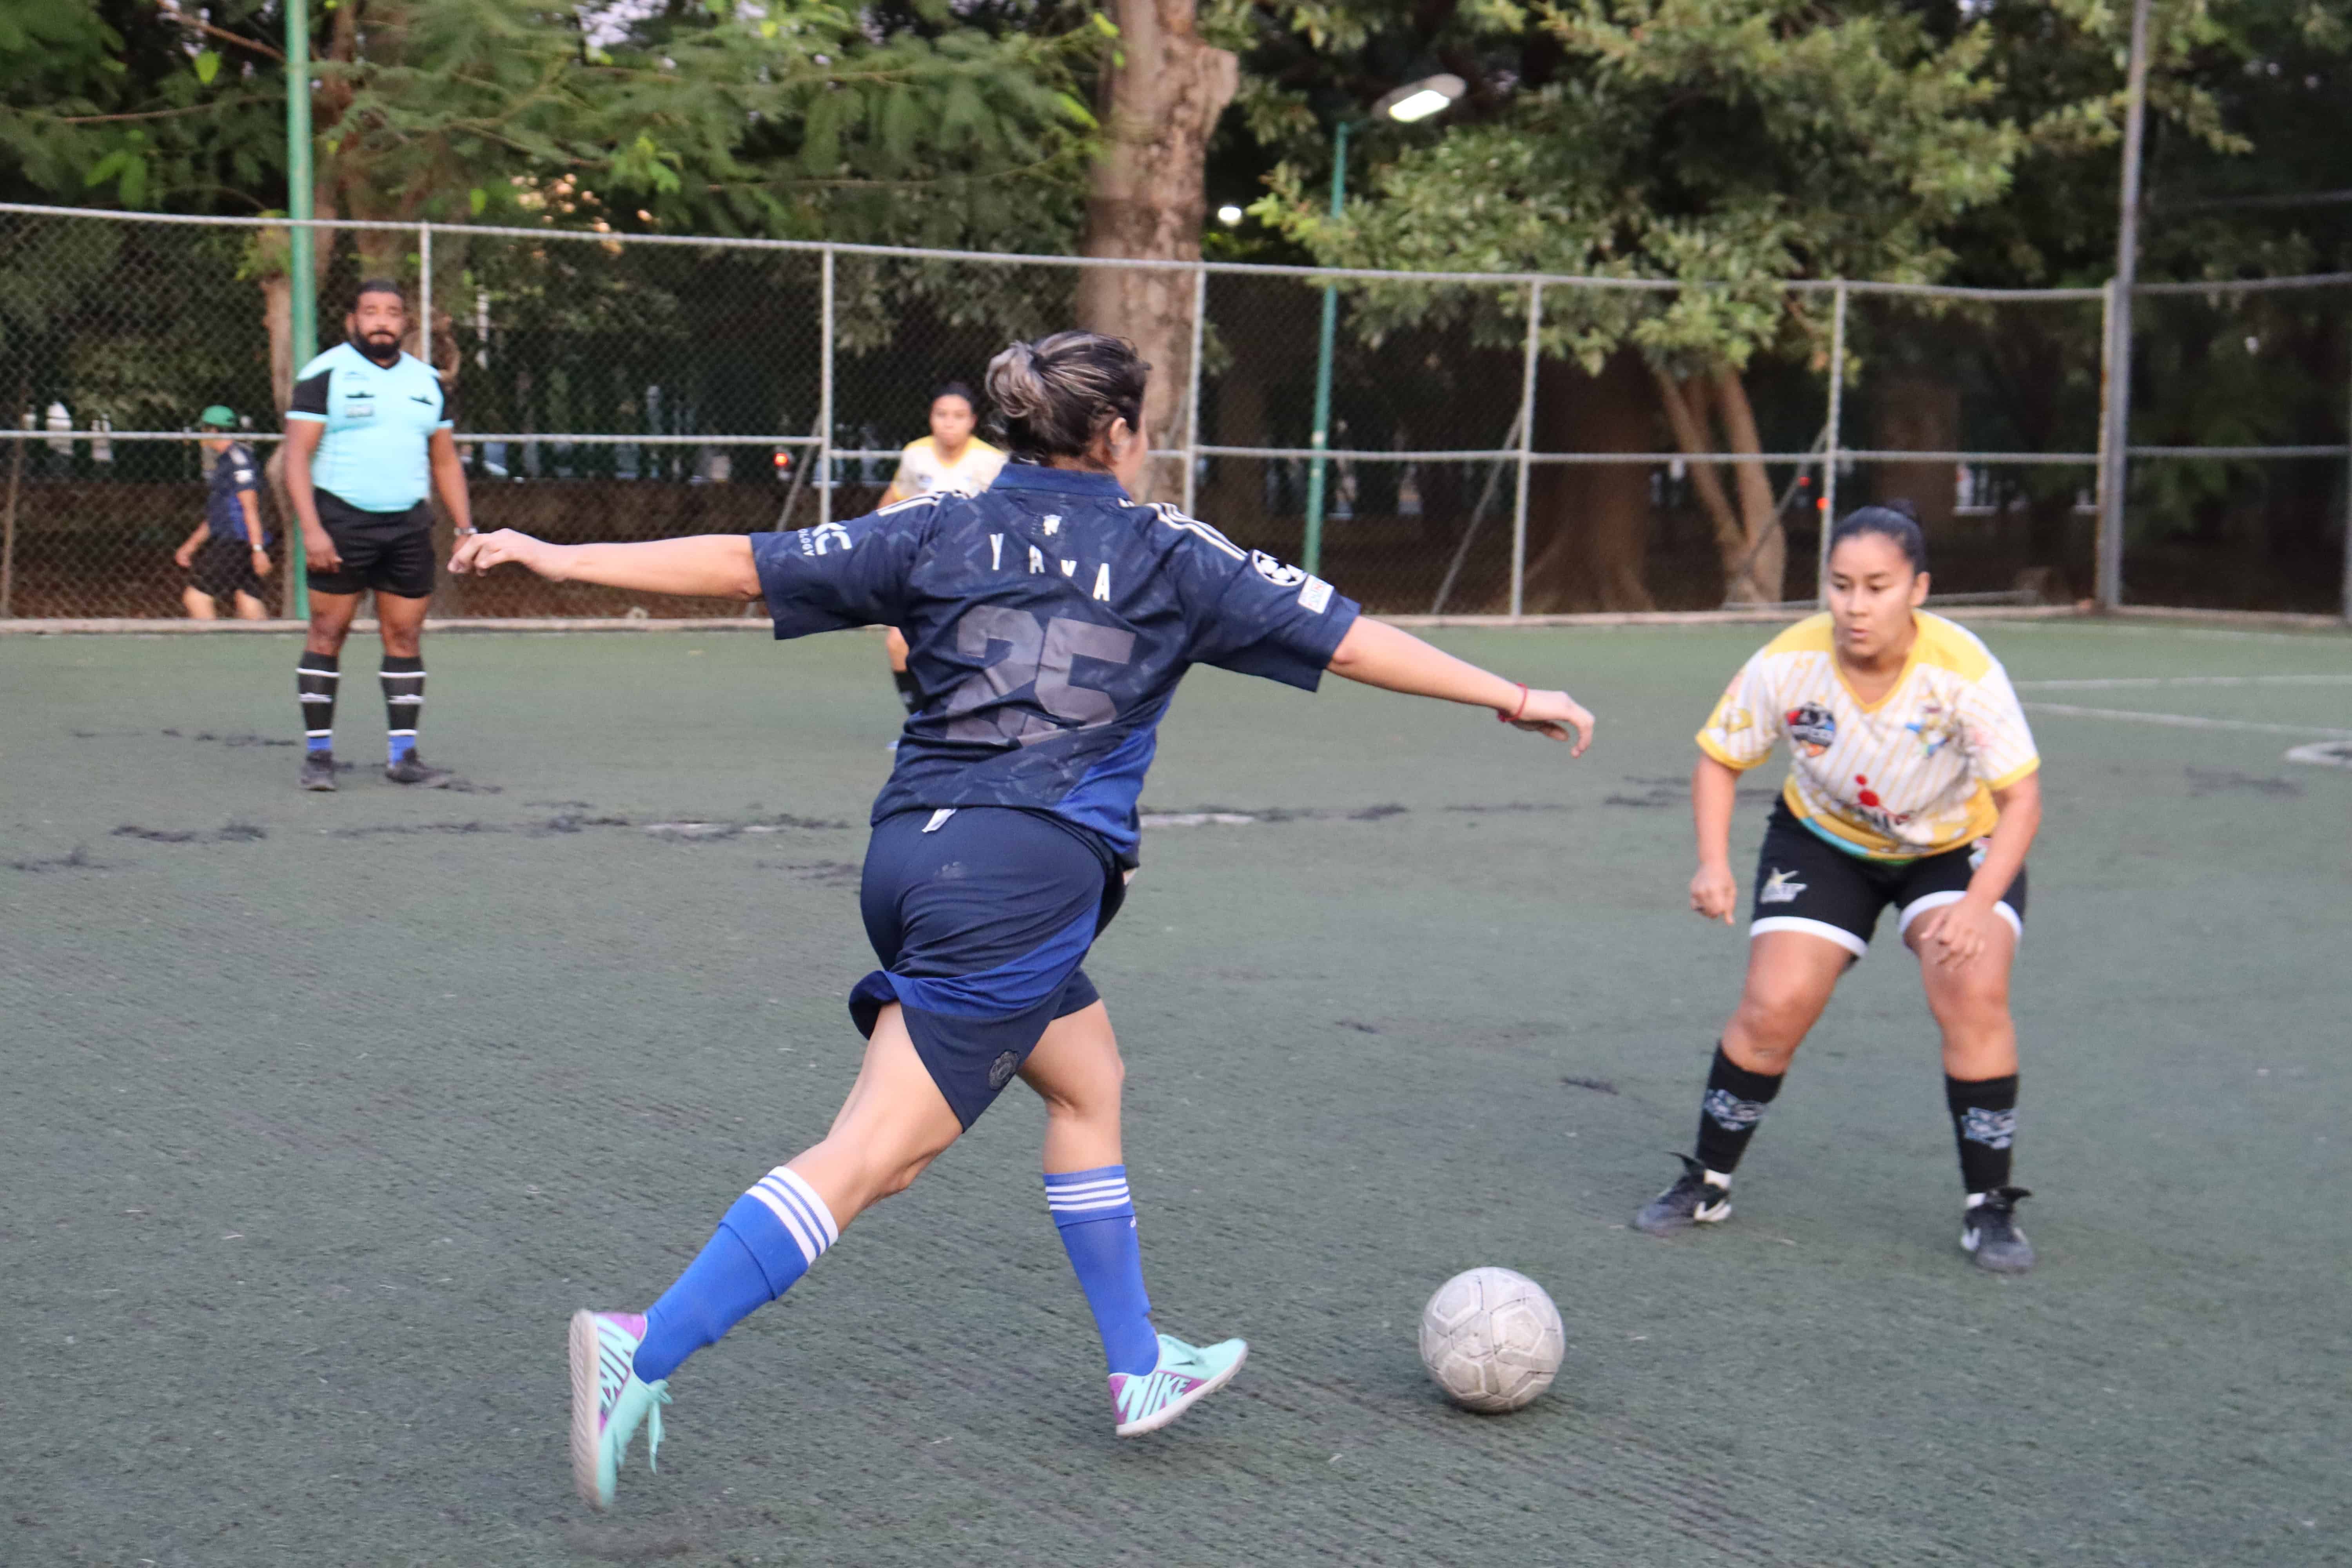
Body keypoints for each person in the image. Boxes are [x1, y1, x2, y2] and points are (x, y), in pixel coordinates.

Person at [451, 330, 1596, 1510]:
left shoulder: (937, 525)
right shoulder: (1167, 549)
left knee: (1086, 1079)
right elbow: (1349, 638)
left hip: (910, 857)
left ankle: (1139, 1364)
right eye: (1144, 423)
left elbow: (745, 564)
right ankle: (644, 1345)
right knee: (873, 1157)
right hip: (1018, 881)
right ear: (1116, 434)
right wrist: (1511, 693)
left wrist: (554, 552)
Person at [1635, 501, 2043, 1273]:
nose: (1856, 605)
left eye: (1878, 587)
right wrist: (1713, 862)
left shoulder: (1963, 671)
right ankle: (1708, 1180)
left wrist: (1977, 904)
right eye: (1841, 584)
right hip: (1825, 841)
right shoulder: (1788, 662)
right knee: (1775, 1003)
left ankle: (1989, 1206)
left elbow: (2022, 799)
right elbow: (1720, 760)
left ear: (1917, 589)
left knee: (1970, 984)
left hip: (1953, 848)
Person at [283, 278, 474, 791]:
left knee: (405, 637)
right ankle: (318, 757)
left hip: (408, 527)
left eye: (392, 312)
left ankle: (403, 757)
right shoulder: (324, 374)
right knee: (328, 632)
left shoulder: (428, 381)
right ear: (353, 321)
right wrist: (313, 531)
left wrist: (466, 529)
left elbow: (445, 460)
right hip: (341, 524)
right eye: (370, 312)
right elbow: (296, 457)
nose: (382, 321)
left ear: (405, 323)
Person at [877, 382, 1005, 712]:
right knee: (898, 643)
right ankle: (921, 720)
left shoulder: (992, 462)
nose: (950, 423)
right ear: (931, 418)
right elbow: (892, 504)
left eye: (959, 416)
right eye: (942, 415)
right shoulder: (915, 455)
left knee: (969, 647)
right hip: (922, 568)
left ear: (973, 421)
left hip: (974, 570)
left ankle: (975, 718)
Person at [172, 406, 270, 620]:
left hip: (236, 540)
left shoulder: (239, 461)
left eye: (204, 429)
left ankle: (211, 640)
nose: (201, 435)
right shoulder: (224, 461)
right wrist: (191, 545)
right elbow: (217, 513)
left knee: (196, 597)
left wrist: (258, 549)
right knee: (247, 597)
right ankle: (266, 639)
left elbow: (250, 508)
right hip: (234, 537)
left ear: (214, 431)